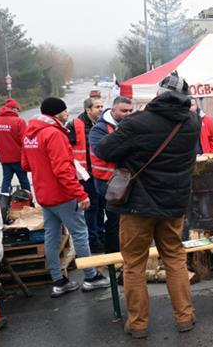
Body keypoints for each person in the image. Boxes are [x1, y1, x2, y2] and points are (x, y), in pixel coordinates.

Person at [94, 71, 200, 338]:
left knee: (134, 264)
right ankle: (185, 317)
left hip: (137, 206)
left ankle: (138, 323)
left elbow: (103, 150)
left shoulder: (138, 122)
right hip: (174, 202)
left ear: (159, 94)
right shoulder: (192, 121)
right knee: (175, 258)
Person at [21, 97, 111, 297]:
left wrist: (42, 168)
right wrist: (80, 194)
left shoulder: (30, 133)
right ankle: (91, 277)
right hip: (62, 194)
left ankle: (58, 281)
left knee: (51, 236)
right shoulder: (54, 134)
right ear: (57, 113)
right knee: (80, 233)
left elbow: (26, 165)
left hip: (44, 194)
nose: (67, 113)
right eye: (64, 111)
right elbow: (62, 170)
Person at [88, 96, 134, 254]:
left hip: (125, 180)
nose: (128, 114)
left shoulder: (130, 125)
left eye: (130, 110)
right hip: (107, 182)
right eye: (124, 111)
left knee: (125, 219)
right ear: (113, 110)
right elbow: (105, 153)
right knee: (114, 219)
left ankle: (123, 251)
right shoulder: (99, 129)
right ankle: (113, 255)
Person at [68, 96, 105, 253]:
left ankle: (100, 236)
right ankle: (93, 241)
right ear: (88, 109)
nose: (101, 109)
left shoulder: (101, 123)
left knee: (100, 207)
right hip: (85, 176)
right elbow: (66, 149)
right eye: (97, 107)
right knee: (91, 208)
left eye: (102, 106)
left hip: (99, 174)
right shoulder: (75, 125)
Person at [0, 98, 30, 194]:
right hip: (18, 158)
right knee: (23, 180)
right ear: (13, 109)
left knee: (6, 180)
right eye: (17, 109)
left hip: (4, 158)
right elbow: (25, 141)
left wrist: (0, 151)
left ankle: (4, 199)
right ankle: (28, 199)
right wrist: (27, 156)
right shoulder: (19, 122)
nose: (18, 112)